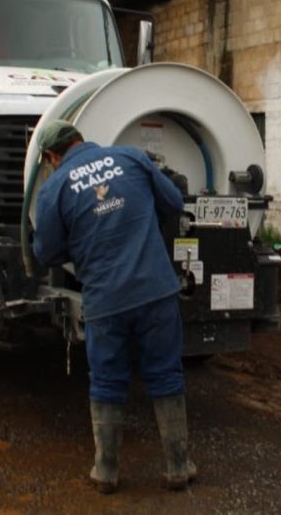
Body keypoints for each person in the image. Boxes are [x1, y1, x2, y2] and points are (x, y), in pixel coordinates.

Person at [32, 119, 196, 493]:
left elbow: (45, 251)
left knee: (107, 380)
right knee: (166, 373)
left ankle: (106, 471)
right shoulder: (131, 157)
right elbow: (173, 202)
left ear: (52, 156)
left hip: (106, 299)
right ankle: (178, 466)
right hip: (156, 290)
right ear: (81, 140)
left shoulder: (54, 187)